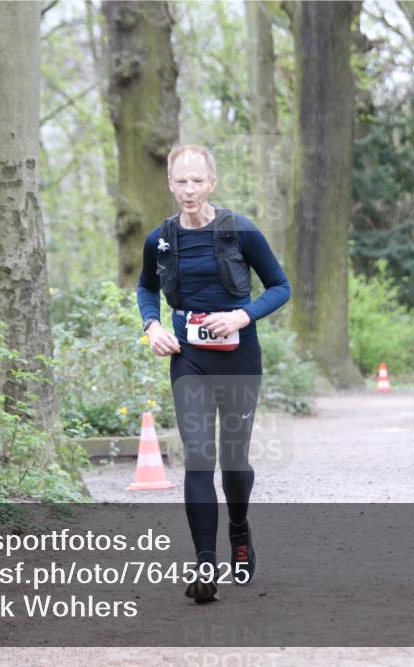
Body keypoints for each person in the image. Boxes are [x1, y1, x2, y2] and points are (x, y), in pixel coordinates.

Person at [137, 144, 290, 604]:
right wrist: (152, 325)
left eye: (197, 181)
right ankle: (206, 564)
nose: (189, 190)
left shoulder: (240, 231)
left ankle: (239, 530)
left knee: (234, 461)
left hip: (239, 357)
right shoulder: (159, 238)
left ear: (212, 183)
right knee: (199, 457)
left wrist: (244, 316)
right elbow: (146, 287)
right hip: (189, 358)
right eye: (181, 181)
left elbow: (279, 287)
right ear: (170, 183)